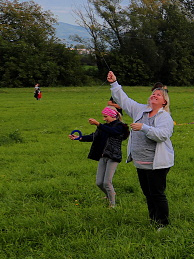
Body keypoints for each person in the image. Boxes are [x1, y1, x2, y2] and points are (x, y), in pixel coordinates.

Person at [107, 70, 175, 229]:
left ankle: (163, 224)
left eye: (159, 95)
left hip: (157, 164)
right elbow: (124, 100)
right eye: (153, 93)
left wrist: (144, 127)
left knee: (157, 194)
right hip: (141, 162)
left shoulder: (164, 117)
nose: (154, 95)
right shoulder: (140, 110)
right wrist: (114, 83)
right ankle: (154, 220)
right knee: (148, 194)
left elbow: (162, 135)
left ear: (164, 102)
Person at [70, 105, 130, 208]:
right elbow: (94, 136)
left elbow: (113, 132)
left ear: (113, 116)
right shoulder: (104, 126)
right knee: (99, 182)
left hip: (113, 156)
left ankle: (112, 205)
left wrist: (98, 124)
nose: (104, 119)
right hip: (103, 156)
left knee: (107, 182)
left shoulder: (120, 126)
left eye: (106, 116)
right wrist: (79, 138)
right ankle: (109, 195)